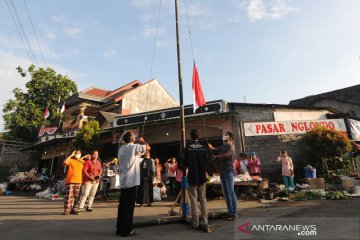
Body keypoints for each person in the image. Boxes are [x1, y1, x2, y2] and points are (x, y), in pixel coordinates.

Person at [116, 132, 150, 237]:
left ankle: (120, 228)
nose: (135, 137)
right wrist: (142, 141)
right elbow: (148, 147)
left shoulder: (121, 149)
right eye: (133, 136)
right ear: (131, 139)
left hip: (123, 181)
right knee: (129, 207)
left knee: (122, 206)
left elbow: (137, 155)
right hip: (131, 181)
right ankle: (127, 230)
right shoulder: (134, 146)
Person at [184, 129, 212, 229]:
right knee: (203, 199)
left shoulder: (187, 148)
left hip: (192, 177)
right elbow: (207, 162)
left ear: (191, 136)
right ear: (198, 136)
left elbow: (184, 163)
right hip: (202, 177)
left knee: (193, 200)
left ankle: (195, 223)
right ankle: (205, 221)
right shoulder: (203, 148)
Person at [208, 132, 237, 221]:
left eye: (226, 138)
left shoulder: (231, 147)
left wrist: (216, 156)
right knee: (225, 193)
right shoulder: (222, 146)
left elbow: (227, 155)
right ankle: (230, 212)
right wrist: (211, 148)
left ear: (230, 139)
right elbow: (215, 149)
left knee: (231, 192)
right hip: (222, 172)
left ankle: (234, 213)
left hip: (228, 172)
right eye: (224, 138)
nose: (225, 139)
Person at [63, 150, 89, 215]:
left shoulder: (82, 161)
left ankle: (73, 209)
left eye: (79, 153)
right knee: (69, 196)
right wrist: (71, 155)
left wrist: (84, 157)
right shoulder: (71, 160)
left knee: (77, 196)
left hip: (79, 181)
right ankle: (66, 209)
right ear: (74, 154)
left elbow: (84, 166)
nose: (78, 154)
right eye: (76, 153)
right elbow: (65, 162)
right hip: (70, 181)